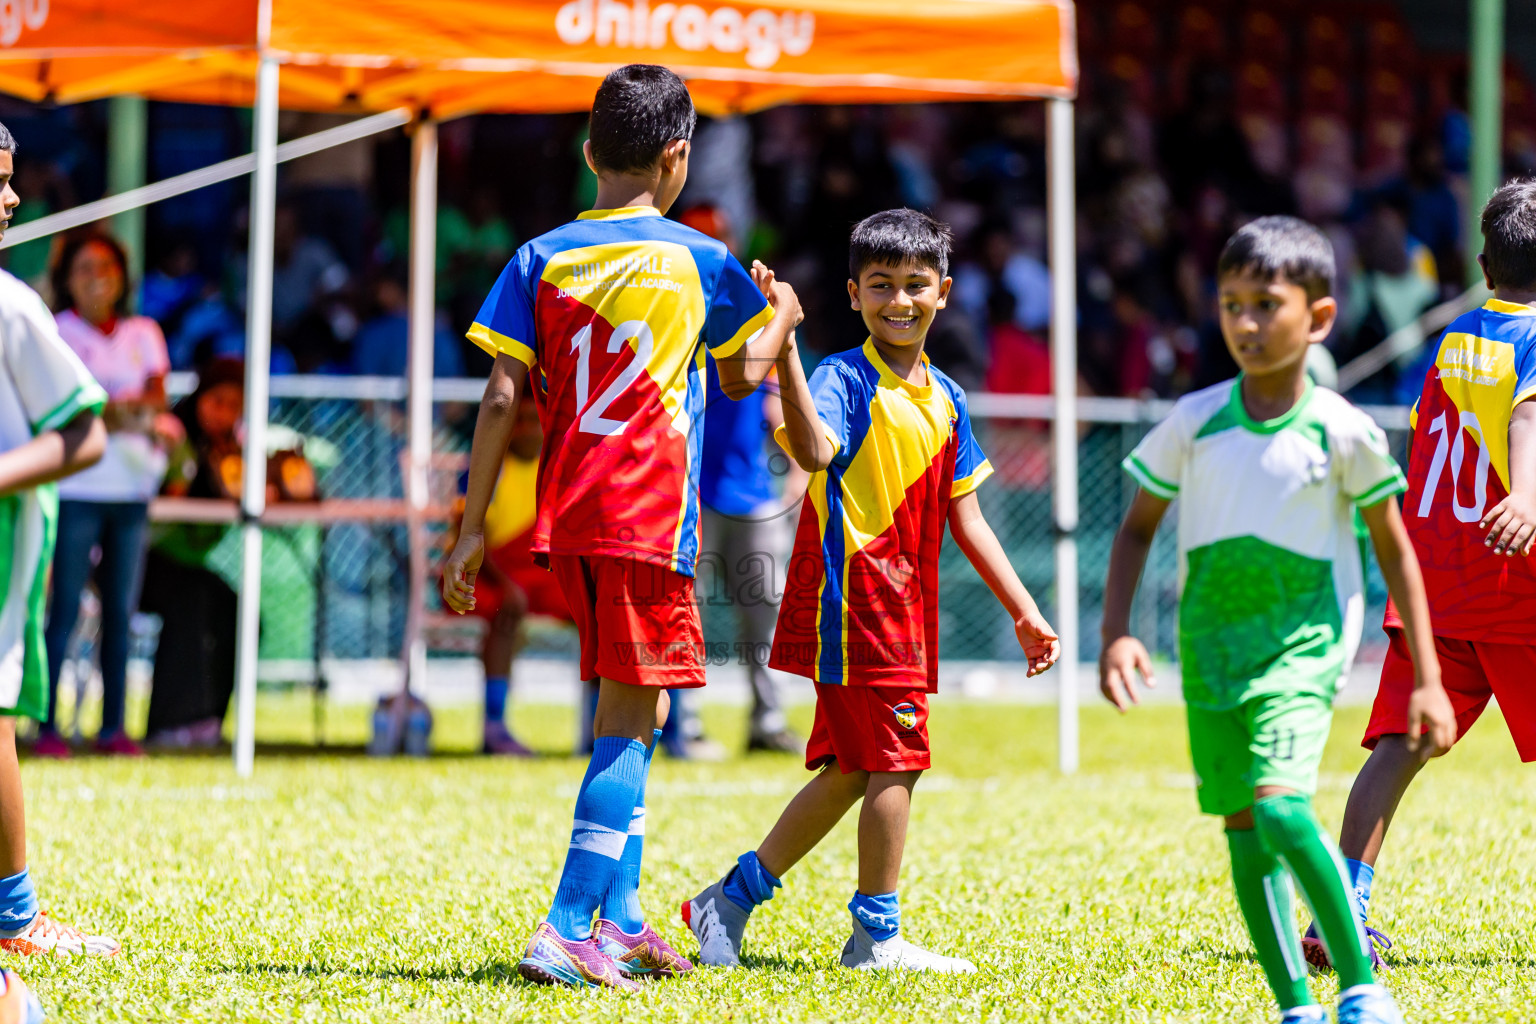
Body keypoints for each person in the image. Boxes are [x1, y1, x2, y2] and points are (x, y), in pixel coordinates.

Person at [441, 65, 799, 990]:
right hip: (648, 519)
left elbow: (498, 396)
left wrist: (472, 527)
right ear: (678, 159)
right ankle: (566, 923)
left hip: (569, 516)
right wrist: (787, 314)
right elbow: (739, 376)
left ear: (590, 153)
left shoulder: (540, 255)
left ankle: (624, 917)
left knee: (632, 708)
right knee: (633, 724)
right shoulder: (697, 258)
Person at [681, 209, 1060, 973]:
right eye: (880, 286)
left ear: (944, 292)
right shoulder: (840, 378)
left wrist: (1025, 611)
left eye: (916, 285)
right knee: (896, 763)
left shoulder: (947, 399)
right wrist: (786, 345)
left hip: (906, 613)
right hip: (853, 606)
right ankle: (876, 937)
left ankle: (727, 901)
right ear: (854, 295)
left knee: (854, 769)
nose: (899, 301)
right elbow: (816, 450)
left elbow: (971, 519)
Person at [1098, 216, 1456, 1024]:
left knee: (1283, 805)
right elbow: (1136, 529)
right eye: (1232, 304)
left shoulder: (1344, 430)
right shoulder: (1193, 420)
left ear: (1319, 318)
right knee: (1242, 829)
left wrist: (1427, 681)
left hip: (1304, 650)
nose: (1247, 324)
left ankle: (1360, 986)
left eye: (1267, 304)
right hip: (1212, 656)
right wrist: (1117, 629)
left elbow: (1399, 553)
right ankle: (1295, 1004)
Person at [1303, 179, 1536, 971]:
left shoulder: (1451, 339)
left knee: (1399, 748)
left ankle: (1340, 907)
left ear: (1480, 262)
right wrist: (1531, 497)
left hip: (1436, 578)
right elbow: (1528, 419)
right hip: (1514, 584)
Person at [0, 119, 121, 960]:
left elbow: (86, 434)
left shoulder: (11, 306)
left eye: (11, 178)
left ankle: (15, 917)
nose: (12, 196)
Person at [37, 232, 174, 758]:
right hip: (76, 485)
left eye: (108, 265)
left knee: (121, 611)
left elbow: (151, 403)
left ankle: (113, 726)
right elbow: (70, 407)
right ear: (69, 278)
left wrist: (110, 411)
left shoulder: (144, 331)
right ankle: (47, 726)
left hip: (131, 488)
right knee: (63, 610)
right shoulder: (58, 330)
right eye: (86, 267)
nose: (98, 276)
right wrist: (121, 411)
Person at [458, 396, 573, 756]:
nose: (523, 428)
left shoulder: (557, 466)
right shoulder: (489, 468)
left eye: (531, 420)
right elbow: (466, 539)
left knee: (600, 615)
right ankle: (495, 726)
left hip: (542, 574)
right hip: (492, 575)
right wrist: (507, 583)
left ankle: (601, 730)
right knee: (501, 613)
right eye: (517, 420)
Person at [140, 358, 245, 749]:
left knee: (236, 609)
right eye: (217, 401)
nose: (224, 414)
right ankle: (168, 722)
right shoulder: (172, 433)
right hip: (138, 559)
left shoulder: (233, 450)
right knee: (193, 601)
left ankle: (208, 718)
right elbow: (167, 494)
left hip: (185, 565)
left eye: (234, 406)